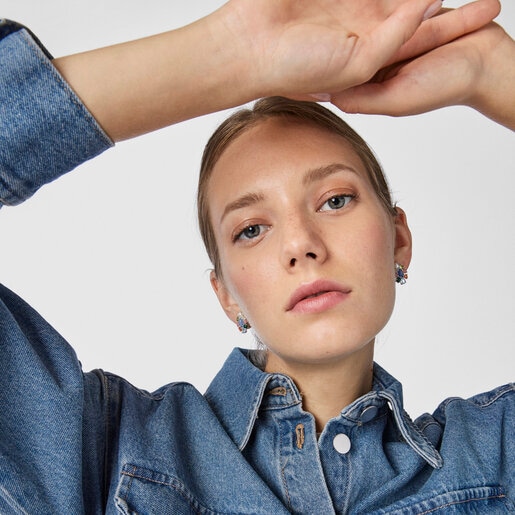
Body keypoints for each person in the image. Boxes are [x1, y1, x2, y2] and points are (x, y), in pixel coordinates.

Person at [0, 0, 513, 513]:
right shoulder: (108, 454)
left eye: (335, 200)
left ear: (398, 239)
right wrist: (234, 53)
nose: (301, 245)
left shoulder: (494, 459)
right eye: (251, 230)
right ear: (226, 295)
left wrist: (493, 71)